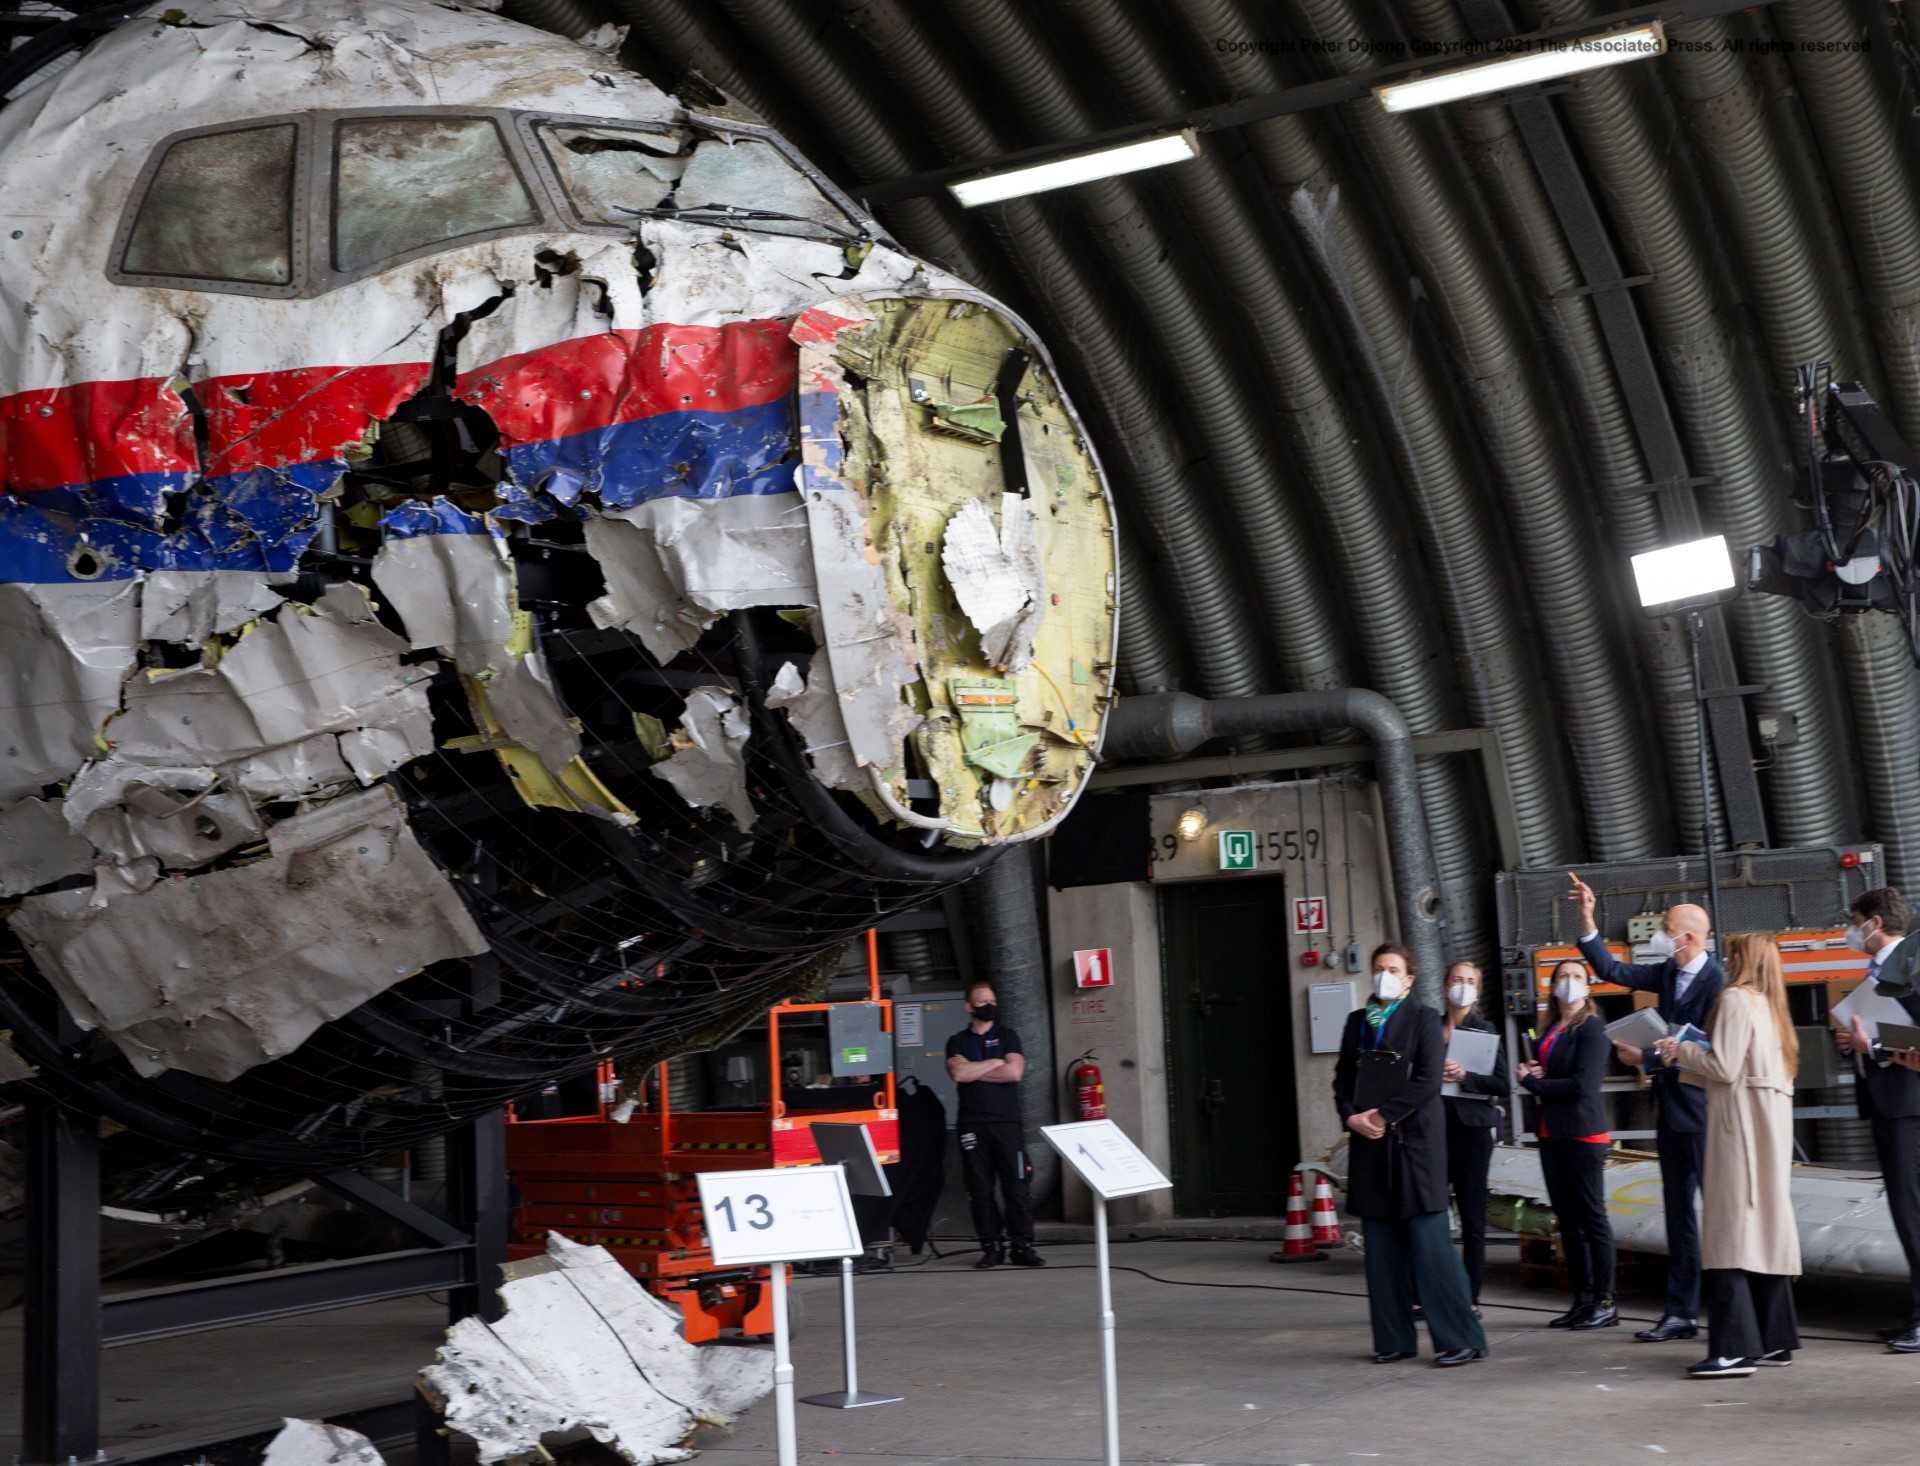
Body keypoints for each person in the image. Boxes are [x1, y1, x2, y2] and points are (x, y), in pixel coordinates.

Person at [1569, 872, 1725, 1342]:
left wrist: (1650, 1057)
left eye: (1666, 928)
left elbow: (1715, 1048)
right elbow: (1612, 972)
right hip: (1673, 1109)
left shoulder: (1719, 983)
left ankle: (1730, 1311)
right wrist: (1587, 919)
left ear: (1690, 937)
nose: (1659, 936)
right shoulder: (1668, 974)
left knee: (1716, 1214)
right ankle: (1680, 1312)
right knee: (1679, 1214)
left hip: (1702, 1111)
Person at [1652, 934, 1801, 1378]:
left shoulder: (1736, 1000)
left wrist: (1681, 1051)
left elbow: (1724, 1067)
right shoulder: (1772, 1008)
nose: (1725, 962)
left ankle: (1733, 1348)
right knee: (1764, 1228)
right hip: (1767, 1127)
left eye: (1731, 955)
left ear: (1742, 960)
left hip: (1738, 1131)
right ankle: (1775, 1339)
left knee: (1730, 1233)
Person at [1333, 943, 1488, 1367]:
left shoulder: (1423, 1021)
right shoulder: (1355, 1024)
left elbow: (1426, 1082)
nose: (1385, 974)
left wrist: (1383, 1115)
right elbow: (1342, 1081)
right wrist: (1351, 1118)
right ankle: (1392, 1340)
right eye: (1379, 968)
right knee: (1381, 1251)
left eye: (1394, 969)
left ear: (1409, 979)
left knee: (1430, 1247)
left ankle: (1460, 1339)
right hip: (1369, 1146)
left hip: (1415, 1146)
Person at [1831, 887, 1920, 1350]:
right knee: (1905, 1211)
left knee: (1913, 1211)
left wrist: (1876, 1047)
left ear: (1875, 922)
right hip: (1891, 1103)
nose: (1851, 929)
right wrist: (1853, 1043)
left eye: (1855, 919)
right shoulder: (1883, 972)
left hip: (1909, 1104)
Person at [1516, 958, 1618, 1331]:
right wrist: (1537, 1072)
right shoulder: (1551, 1029)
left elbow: (1582, 1085)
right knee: (1569, 1222)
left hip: (1582, 1133)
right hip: (1552, 1132)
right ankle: (1582, 1299)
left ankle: (1605, 1301)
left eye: (1577, 977)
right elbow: (1560, 1073)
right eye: (1563, 976)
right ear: (1553, 985)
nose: (1569, 982)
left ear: (1588, 987)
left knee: (1592, 1217)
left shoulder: (1592, 1028)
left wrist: (1534, 1084)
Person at [945, 980, 1043, 1269]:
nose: (989, 1006)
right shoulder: (957, 1041)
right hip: (972, 1124)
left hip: (1007, 1123)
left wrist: (977, 1068)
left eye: (992, 1001)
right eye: (982, 1002)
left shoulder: (1008, 1036)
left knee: (1017, 1186)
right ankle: (991, 1247)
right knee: (980, 1189)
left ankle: (1022, 1246)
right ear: (968, 1007)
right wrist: (993, 1063)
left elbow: (1014, 1073)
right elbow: (959, 1074)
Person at [1441, 961, 1508, 1313]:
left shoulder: (1484, 1031)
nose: (1462, 986)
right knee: (1430, 1215)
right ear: (1444, 986)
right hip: (1433, 1130)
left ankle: (1470, 1296)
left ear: (1477, 991)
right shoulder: (1428, 1028)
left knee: (1472, 1217)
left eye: (1469, 981)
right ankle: (1431, 1291)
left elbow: (1501, 1084)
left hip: (1472, 1131)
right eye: (1456, 980)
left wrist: (1466, 1077)